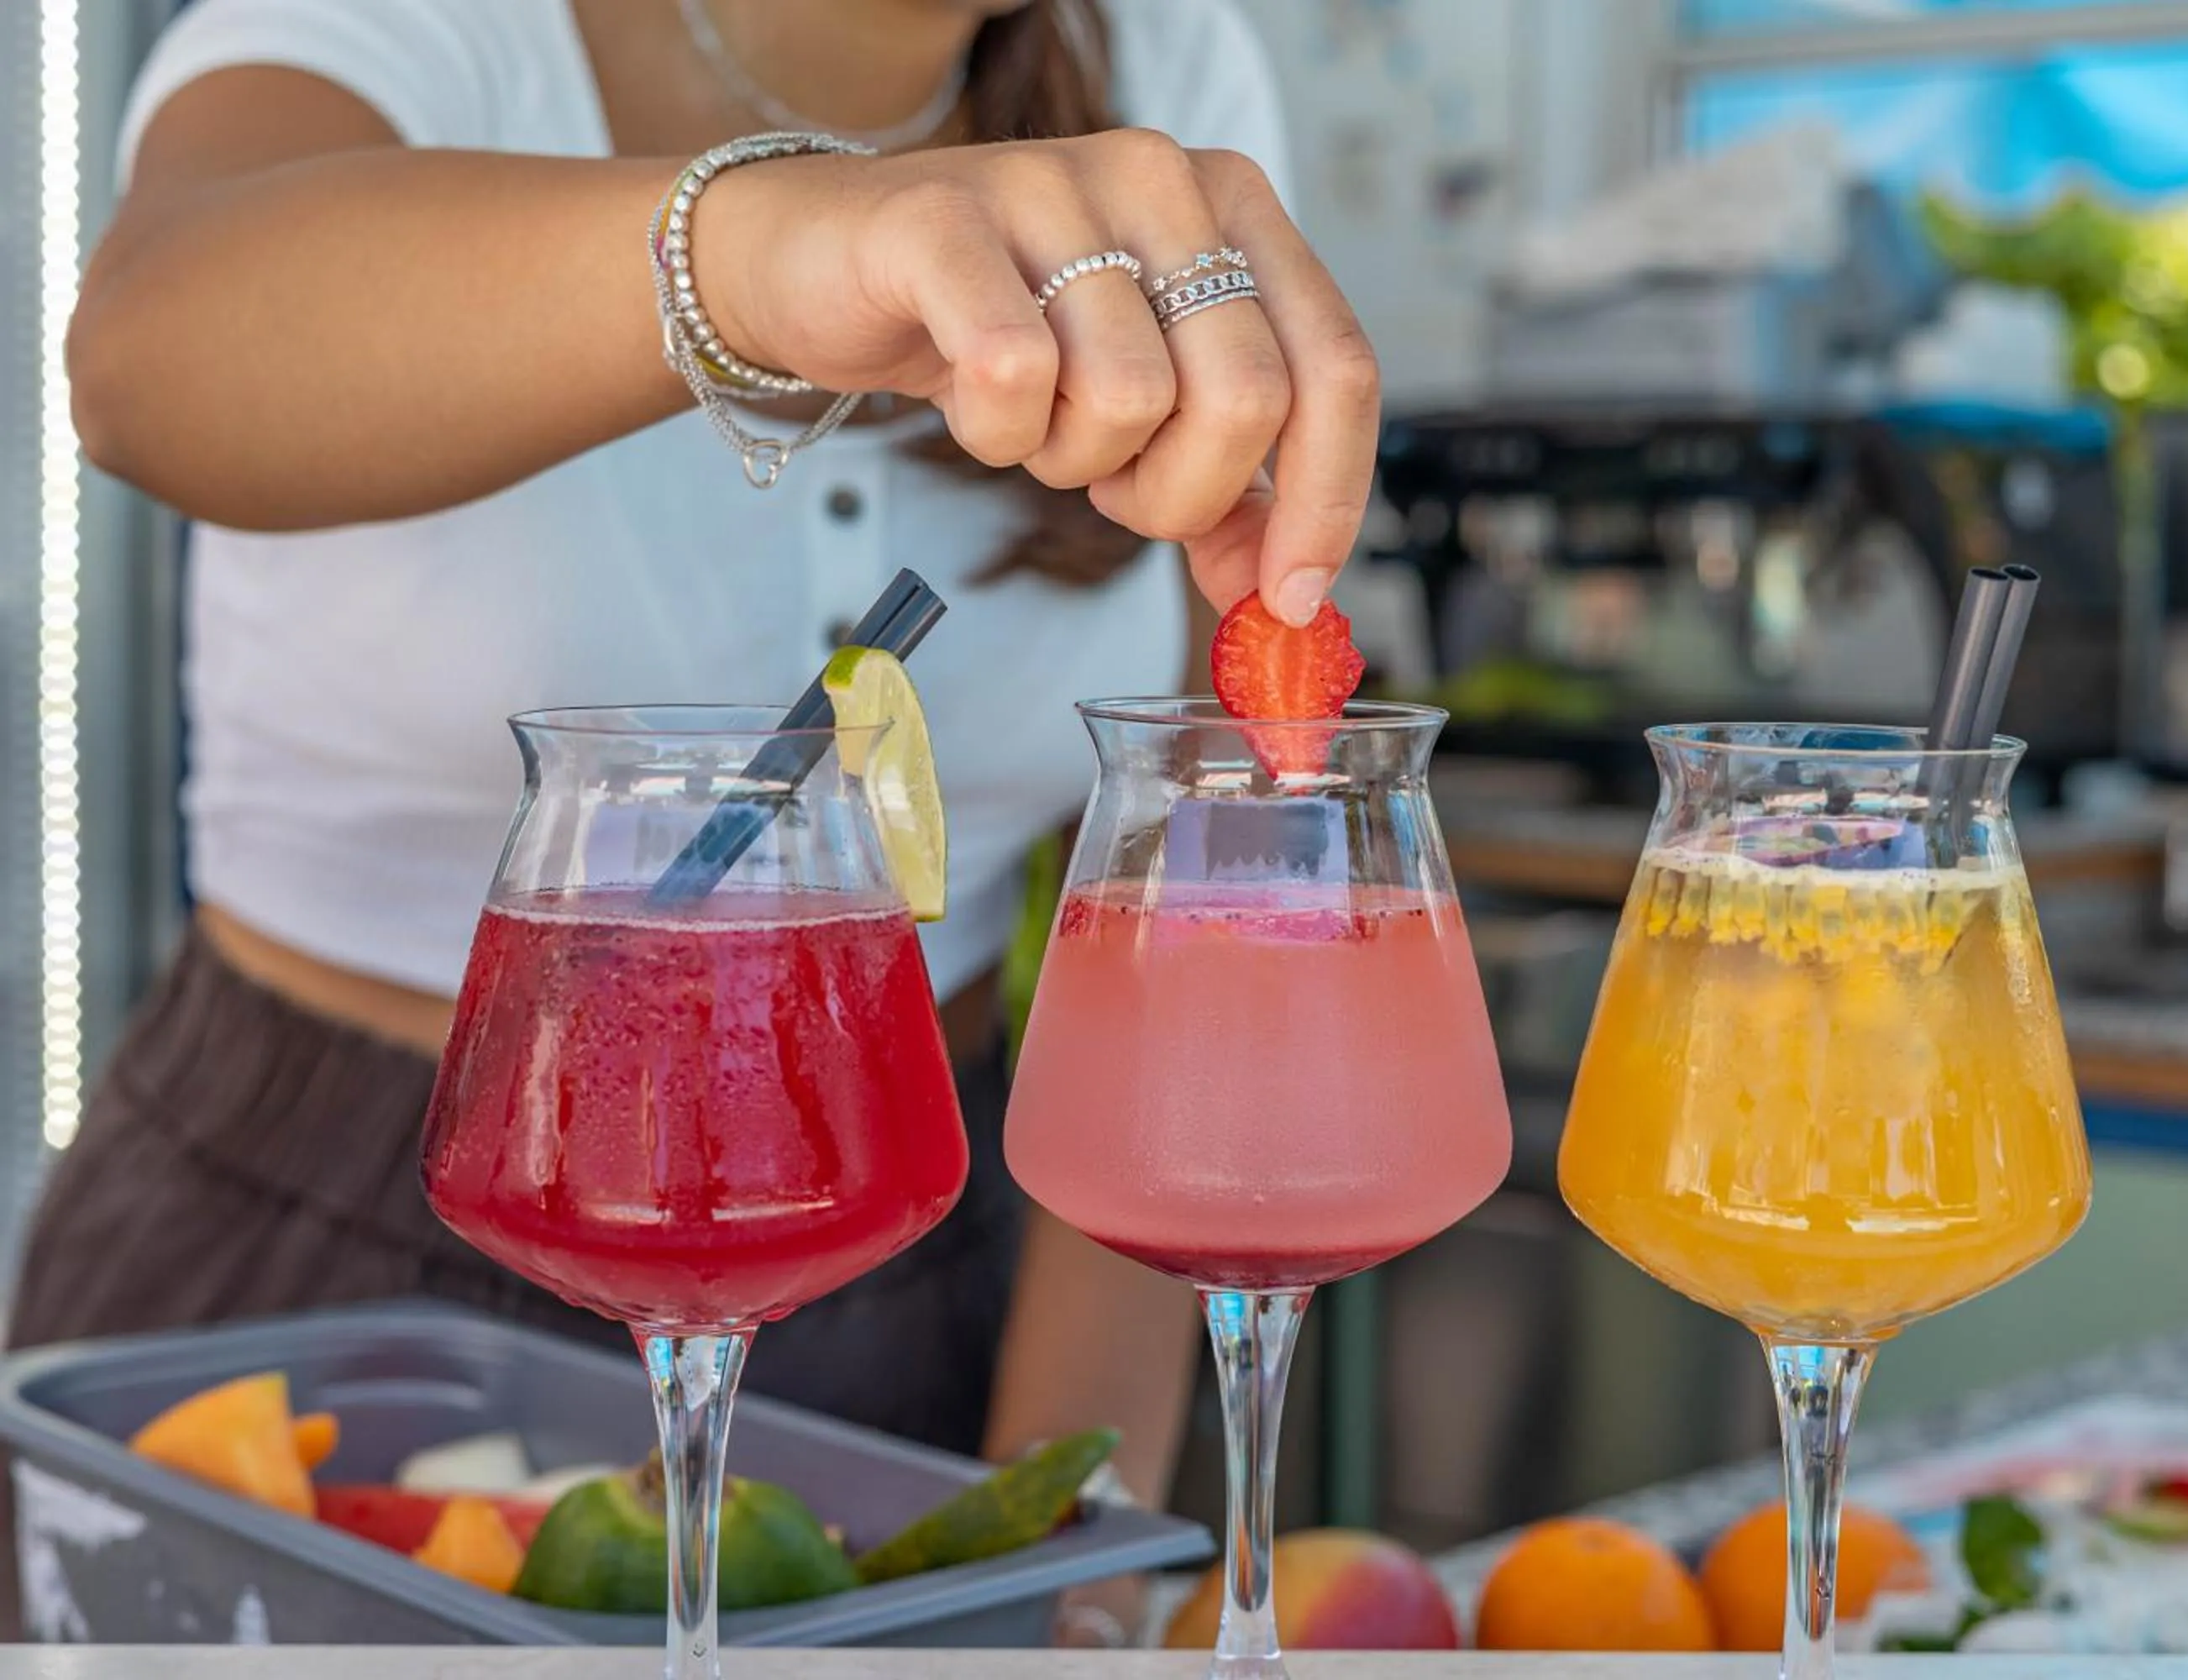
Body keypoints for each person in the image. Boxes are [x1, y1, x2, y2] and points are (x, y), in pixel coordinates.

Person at [19, 0, 1376, 1625]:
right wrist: (761, 251)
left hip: (909, 1250)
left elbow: (1162, 892)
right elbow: (152, 355)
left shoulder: (1175, 70)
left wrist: (1066, 1546)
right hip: (340, 1266)